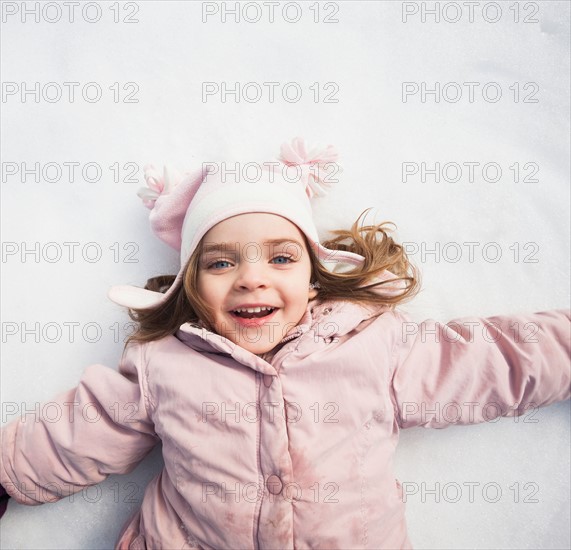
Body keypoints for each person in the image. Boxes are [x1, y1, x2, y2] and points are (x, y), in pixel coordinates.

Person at [1, 137, 569, 549]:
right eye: (221, 262)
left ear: (313, 275)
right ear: (191, 285)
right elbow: (83, 429)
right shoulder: (165, 364)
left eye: (280, 257)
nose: (251, 277)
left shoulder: (372, 347)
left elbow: (492, 360)